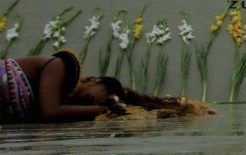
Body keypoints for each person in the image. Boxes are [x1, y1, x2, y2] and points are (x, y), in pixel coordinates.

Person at [1, 50, 211, 123]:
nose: (80, 105)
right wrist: (105, 110)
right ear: (91, 79)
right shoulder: (58, 66)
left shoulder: (59, 101)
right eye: (86, 101)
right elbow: (50, 112)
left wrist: (171, 107)